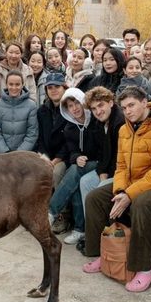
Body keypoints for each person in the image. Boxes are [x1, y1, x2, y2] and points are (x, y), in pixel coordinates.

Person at [83, 86, 151, 292]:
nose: (128, 111)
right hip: (133, 185)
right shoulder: (124, 129)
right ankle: (103, 254)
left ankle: (145, 267)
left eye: (132, 105)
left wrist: (129, 194)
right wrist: (120, 191)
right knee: (95, 198)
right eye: (124, 108)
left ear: (144, 102)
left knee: (141, 203)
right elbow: (121, 166)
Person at [48, 88, 103, 245]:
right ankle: (79, 229)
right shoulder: (70, 127)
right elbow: (72, 150)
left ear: (83, 102)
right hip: (83, 165)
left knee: (75, 170)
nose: (75, 108)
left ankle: (52, 211)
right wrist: (77, 157)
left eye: (77, 103)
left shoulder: (96, 121)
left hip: (100, 163)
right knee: (76, 182)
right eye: (70, 106)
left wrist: (80, 161)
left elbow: (104, 148)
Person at [77, 87, 124, 211]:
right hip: (107, 169)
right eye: (94, 108)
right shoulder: (100, 123)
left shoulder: (120, 122)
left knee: (101, 187)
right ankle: (93, 227)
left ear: (110, 102)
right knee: (85, 181)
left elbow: (119, 157)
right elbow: (100, 153)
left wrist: (104, 176)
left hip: (122, 172)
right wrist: (102, 172)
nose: (98, 111)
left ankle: (108, 228)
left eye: (101, 105)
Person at [0, 71, 38, 154]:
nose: (14, 87)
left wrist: (19, 154)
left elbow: (32, 133)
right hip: (2, 155)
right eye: (11, 84)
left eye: (17, 84)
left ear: (22, 85)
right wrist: (4, 151)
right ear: (6, 84)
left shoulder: (31, 105)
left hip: (23, 155)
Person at [35, 73, 69, 187]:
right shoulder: (42, 110)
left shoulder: (71, 108)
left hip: (64, 157)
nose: (53, 90)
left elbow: (70, 140)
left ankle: (58, 205)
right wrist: (44, 157)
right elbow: (40, 137)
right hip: (46, 157)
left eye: (57, 86)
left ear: (64, 88)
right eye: (50, 87)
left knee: (56, 173)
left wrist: (56, 160)